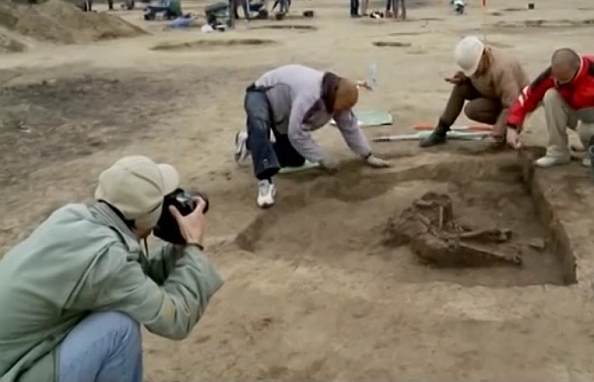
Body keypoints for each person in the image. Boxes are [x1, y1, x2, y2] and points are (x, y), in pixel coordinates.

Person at [0, 155, 223, 382]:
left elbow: (137, 280)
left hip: (16, 358)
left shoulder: (72, 217)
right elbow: (176, 319)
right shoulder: (107, 260)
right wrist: (194, 246)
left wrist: (178, 247)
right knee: (119, 328)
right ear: (147, 217)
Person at [234, 64, 391, 208]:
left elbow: (349, 126)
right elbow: (296, 133)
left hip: (285, 110)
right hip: (261, 94)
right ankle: (265, 182)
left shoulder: (336, 97)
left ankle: (249, 143)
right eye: (342, 108)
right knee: (259, 125)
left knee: (295, 158)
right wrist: (322, 159)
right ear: (335, 97)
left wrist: (367, 154)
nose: (343, 112)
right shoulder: (310, 96)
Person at [505, 48, 594, 167]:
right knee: (550, 95)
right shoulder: (554, 74)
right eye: (556, 79)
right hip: (578, 112)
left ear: (576, 70)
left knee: (587, 131)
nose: (559, 83)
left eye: (564, 80)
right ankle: (558, 152)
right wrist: (512, 126)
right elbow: (528, 95)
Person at [420, 36, 529, 148]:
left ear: (482, 57)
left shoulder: (502, 69)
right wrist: (462, 78)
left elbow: (512, 105)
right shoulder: (477, 60)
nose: (474, 74)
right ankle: (441, 130)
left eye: (474, 69)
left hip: (517, 106)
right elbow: (474, 77)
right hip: (494, 94)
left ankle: (509, 129)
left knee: (473, 110)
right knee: (460, 88)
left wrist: (497, 132)